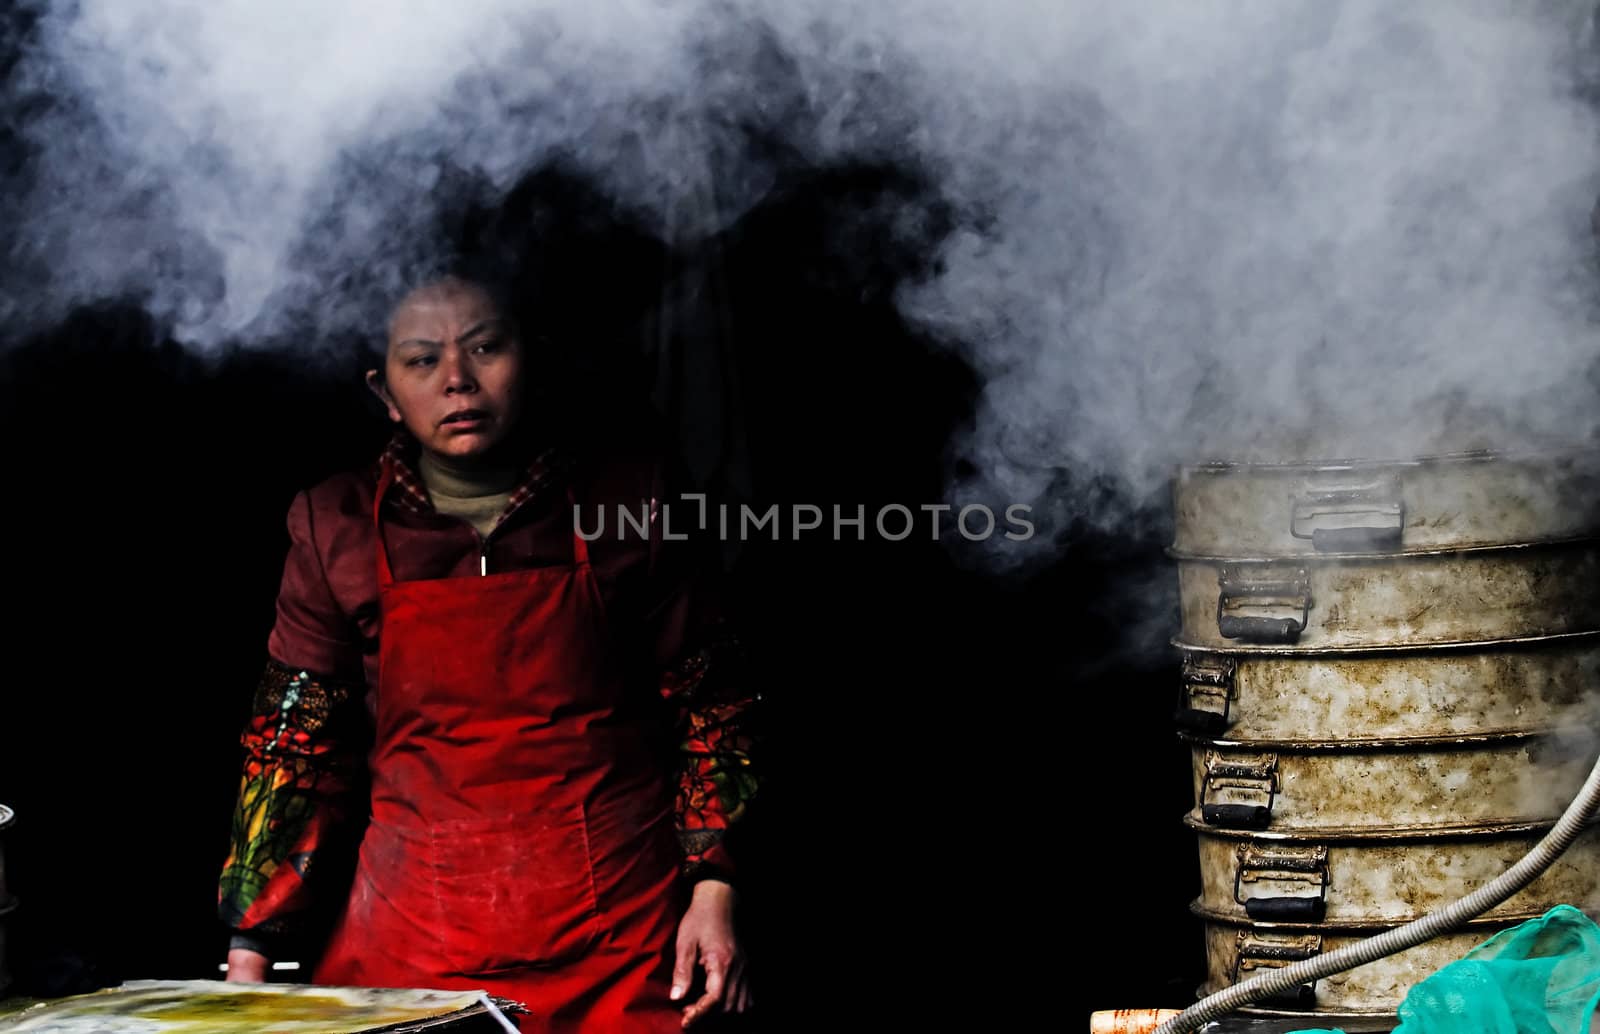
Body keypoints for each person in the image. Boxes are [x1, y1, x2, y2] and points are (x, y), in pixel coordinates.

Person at [216, 274, 761, 1032]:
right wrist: (252, 946)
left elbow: (715, 701)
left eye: (483, 348)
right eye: (421, 360)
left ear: (527, 358)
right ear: (384, 391)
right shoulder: (333, 525)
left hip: (623, 939)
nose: (457, 380)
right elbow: (293, 744)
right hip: (412, 938)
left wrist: (715, 889)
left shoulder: (631, 495)